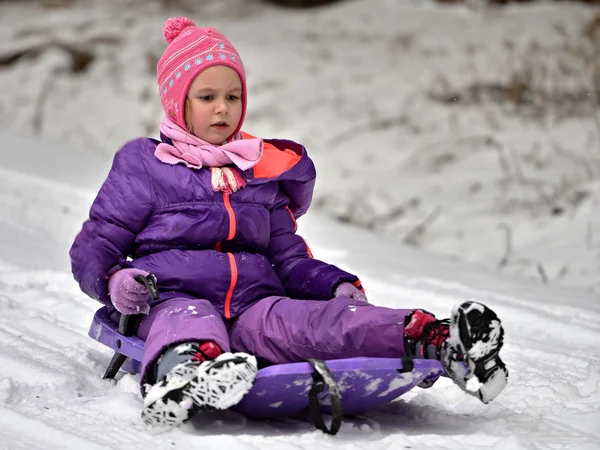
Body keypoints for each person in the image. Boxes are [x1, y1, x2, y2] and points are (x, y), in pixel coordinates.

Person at [70, 17, 508, 428]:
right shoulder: (145, 166)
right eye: (207, 97)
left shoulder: (258, 174)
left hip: (253, 306)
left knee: (321, 322)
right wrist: (114, 280)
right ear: (177, 101)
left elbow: (288, 257)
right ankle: (185, 376)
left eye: (232, 96)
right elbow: (95, 245)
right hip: (169, 299)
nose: (222, 108)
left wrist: (331, 285)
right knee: (191, 318)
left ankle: (435, 339)